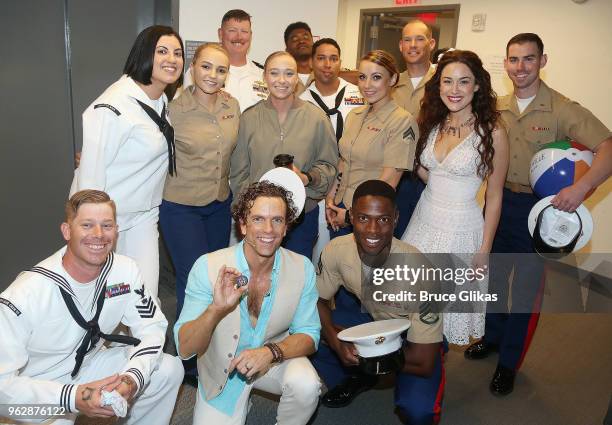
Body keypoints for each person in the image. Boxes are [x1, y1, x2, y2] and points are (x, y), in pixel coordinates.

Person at [463, 33, 612, 396]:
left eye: (529, 59)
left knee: (525, 292)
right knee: (494, 281)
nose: (520, 67)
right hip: (499, 203)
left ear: (543, 61)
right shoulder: (498, 106)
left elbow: (607, 148)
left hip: (539, 210)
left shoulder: (563, 108)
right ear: (506, 64)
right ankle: (492, 338)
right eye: (513, 60)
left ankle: (509, 363)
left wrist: (580, 189)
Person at [0, 190, 183, 424]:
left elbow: (151, 328)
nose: (98, 235)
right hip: (34, 392)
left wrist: (132, 378)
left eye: (107, 226)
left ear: (116, 231)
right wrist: (71, 397)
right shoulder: (25, 294)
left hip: (89, 367)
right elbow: (2, 386)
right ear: (67, 231)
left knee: (166, 370)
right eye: (87, 225)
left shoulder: (125, 271)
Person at [174, 181, 321, 425]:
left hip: (273, 359)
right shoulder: (208, 266)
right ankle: (237, 402)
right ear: (243, 225)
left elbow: (309, 334)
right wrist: (216, 310)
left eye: (277, 220)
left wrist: (271, 352)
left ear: (286, 228)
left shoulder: (302, 267)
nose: (269, 229)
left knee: (306, 385)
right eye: (258, 219)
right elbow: (185, 347)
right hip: (223, 372)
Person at [313, 180, 445, 425]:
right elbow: (316, 301)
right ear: (351, 217)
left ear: (395, 219)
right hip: (372, 321)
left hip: (413, 339)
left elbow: (424, 362)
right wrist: (334, 340)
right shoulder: (337, 250)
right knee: (308, 329)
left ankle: (367, 372)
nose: (372, 230)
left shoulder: (423, 273)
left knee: (418, 410)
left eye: (383, 219)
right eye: (363, 218)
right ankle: (355, 377)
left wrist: (364, 357)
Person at [400, 50, 509, 346]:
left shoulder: (493, 132)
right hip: (423, 221)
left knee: (441, 314)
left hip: (460, 230)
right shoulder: (433, 123)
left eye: (463, 82)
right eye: (447, 82)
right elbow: (428, 172)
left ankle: (430, 378)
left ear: (477, 86)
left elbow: (495, 196)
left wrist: (484, 249)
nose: (454, 90)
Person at [70, 25, 184, 300]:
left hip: (143, 216)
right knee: (101, 299)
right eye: (162, 51)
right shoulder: (113, 106)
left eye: (178, 53)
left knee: (144, 297)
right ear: (145, 54)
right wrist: (93, 228)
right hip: (107, 219)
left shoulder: (159, 99)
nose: (172, 59)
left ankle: (143, 344)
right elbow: (90, 178)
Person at [230, 51, 338, 259]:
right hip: (259, 217)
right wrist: (248, 210)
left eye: (289, 74)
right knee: (260, 276)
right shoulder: (249, 118)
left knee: (294, 277)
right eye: (274, 73)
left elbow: (328, 164)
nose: (281, 80)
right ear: (264, 77)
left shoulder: (316, 118)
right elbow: (239, 172)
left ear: (297, 79)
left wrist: (307, 178)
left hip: (302, 216)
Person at [326, 50, 418, 239]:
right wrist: (331, 198)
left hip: (369, 216)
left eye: (376, 77)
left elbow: (388, 183)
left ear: (392, 79)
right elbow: (344, 162)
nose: (367, 85)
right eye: (362, 77)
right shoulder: (355, 115)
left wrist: (354, 215)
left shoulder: (401, 121)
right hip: (341, 206)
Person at [299, 37, 364, 265]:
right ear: (311, 63)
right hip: (317, 184)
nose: (328, 64)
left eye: (333, 58)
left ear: (340, 62)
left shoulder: (359, 94)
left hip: (351, 181)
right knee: (317, 247)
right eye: (321, 58)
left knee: (346, 250)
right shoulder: (301, 101)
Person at [392, 19, 438, 238]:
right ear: (400, 45)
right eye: (407, 40)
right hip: (396, 175)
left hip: (429, 177)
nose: (413, 45)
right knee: (393, 237)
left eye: (419, 39)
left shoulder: (443, 83)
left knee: (424, 241)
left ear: (432, 43)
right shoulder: (390, 84)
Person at [218, 9, 267, 112]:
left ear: (250, 35)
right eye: (232, 30)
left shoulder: (264, 75)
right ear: (220, 34)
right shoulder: (203, 73)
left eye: (244, 31)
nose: (239, 37)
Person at [284, 21, 314, 95]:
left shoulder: (325, 74)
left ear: (313, 44)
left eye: (306, 37)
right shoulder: (280, 78)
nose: (301, 41)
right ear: (287, 49)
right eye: (295, 39)